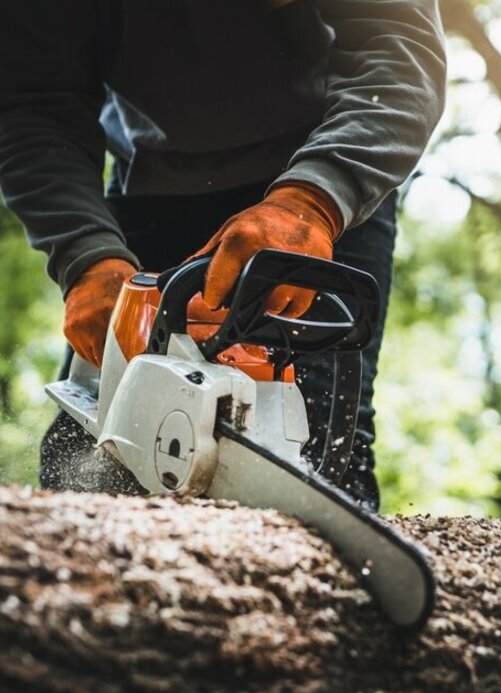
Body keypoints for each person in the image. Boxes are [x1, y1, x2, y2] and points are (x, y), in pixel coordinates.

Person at [0, 0, 446, 510]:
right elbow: (34, 98)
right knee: (100, 442)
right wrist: (86, 254)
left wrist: (314, 200)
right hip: (149, 188)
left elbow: (396, 44)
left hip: (324, 170)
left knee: (317, 447)